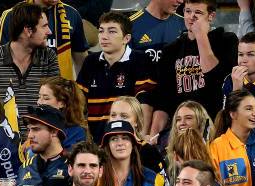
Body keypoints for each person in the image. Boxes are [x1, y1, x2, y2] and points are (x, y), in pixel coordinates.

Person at [150, 0, 239, 135]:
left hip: (214, 126)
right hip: (180, 129)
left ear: (211, 16)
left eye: (198, 12)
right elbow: (163, 100)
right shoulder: (171, 50)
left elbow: (216, 76)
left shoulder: (226, 40)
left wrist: (201, 35)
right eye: (188, 11)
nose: (192, 16)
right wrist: (154, 135)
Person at [0, 2, 60, 132]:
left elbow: (55, 106)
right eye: (44, 26)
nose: (49, 31)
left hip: (37, 143)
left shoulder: (49, 58)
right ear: (28, 31)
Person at [76, 11, 157, 141]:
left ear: (126, 38)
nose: (104, 36)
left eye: (112, 31)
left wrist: (141, 136)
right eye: (101, 31)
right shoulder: (90, 61)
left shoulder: (140, 60)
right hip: (95, 139)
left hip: (126, 138)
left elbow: (145, 101)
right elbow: (78, 102)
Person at [0, 0, 89, 80]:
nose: (49, 32)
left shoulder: (72, 14)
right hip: (22, 96)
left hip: (62, 94)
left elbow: (82, 61)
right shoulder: (11, 16)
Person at [5, 105, 70, 186]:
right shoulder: (25, 166)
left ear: (54, 132)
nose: (30, 136)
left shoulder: (72, 165)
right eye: (29, 130)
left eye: (36, 129)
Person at [108, 96, 166, 174]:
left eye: (124, 116)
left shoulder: (149, 153)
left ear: (136, 121)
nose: (117, 120)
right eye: (113, 115)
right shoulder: (104, 150)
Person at [36, 76, 88, 151]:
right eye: (39, 97)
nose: (39, 102)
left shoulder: (76, 132)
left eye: (46, 98)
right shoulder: (36, 126)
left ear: (62, 103)